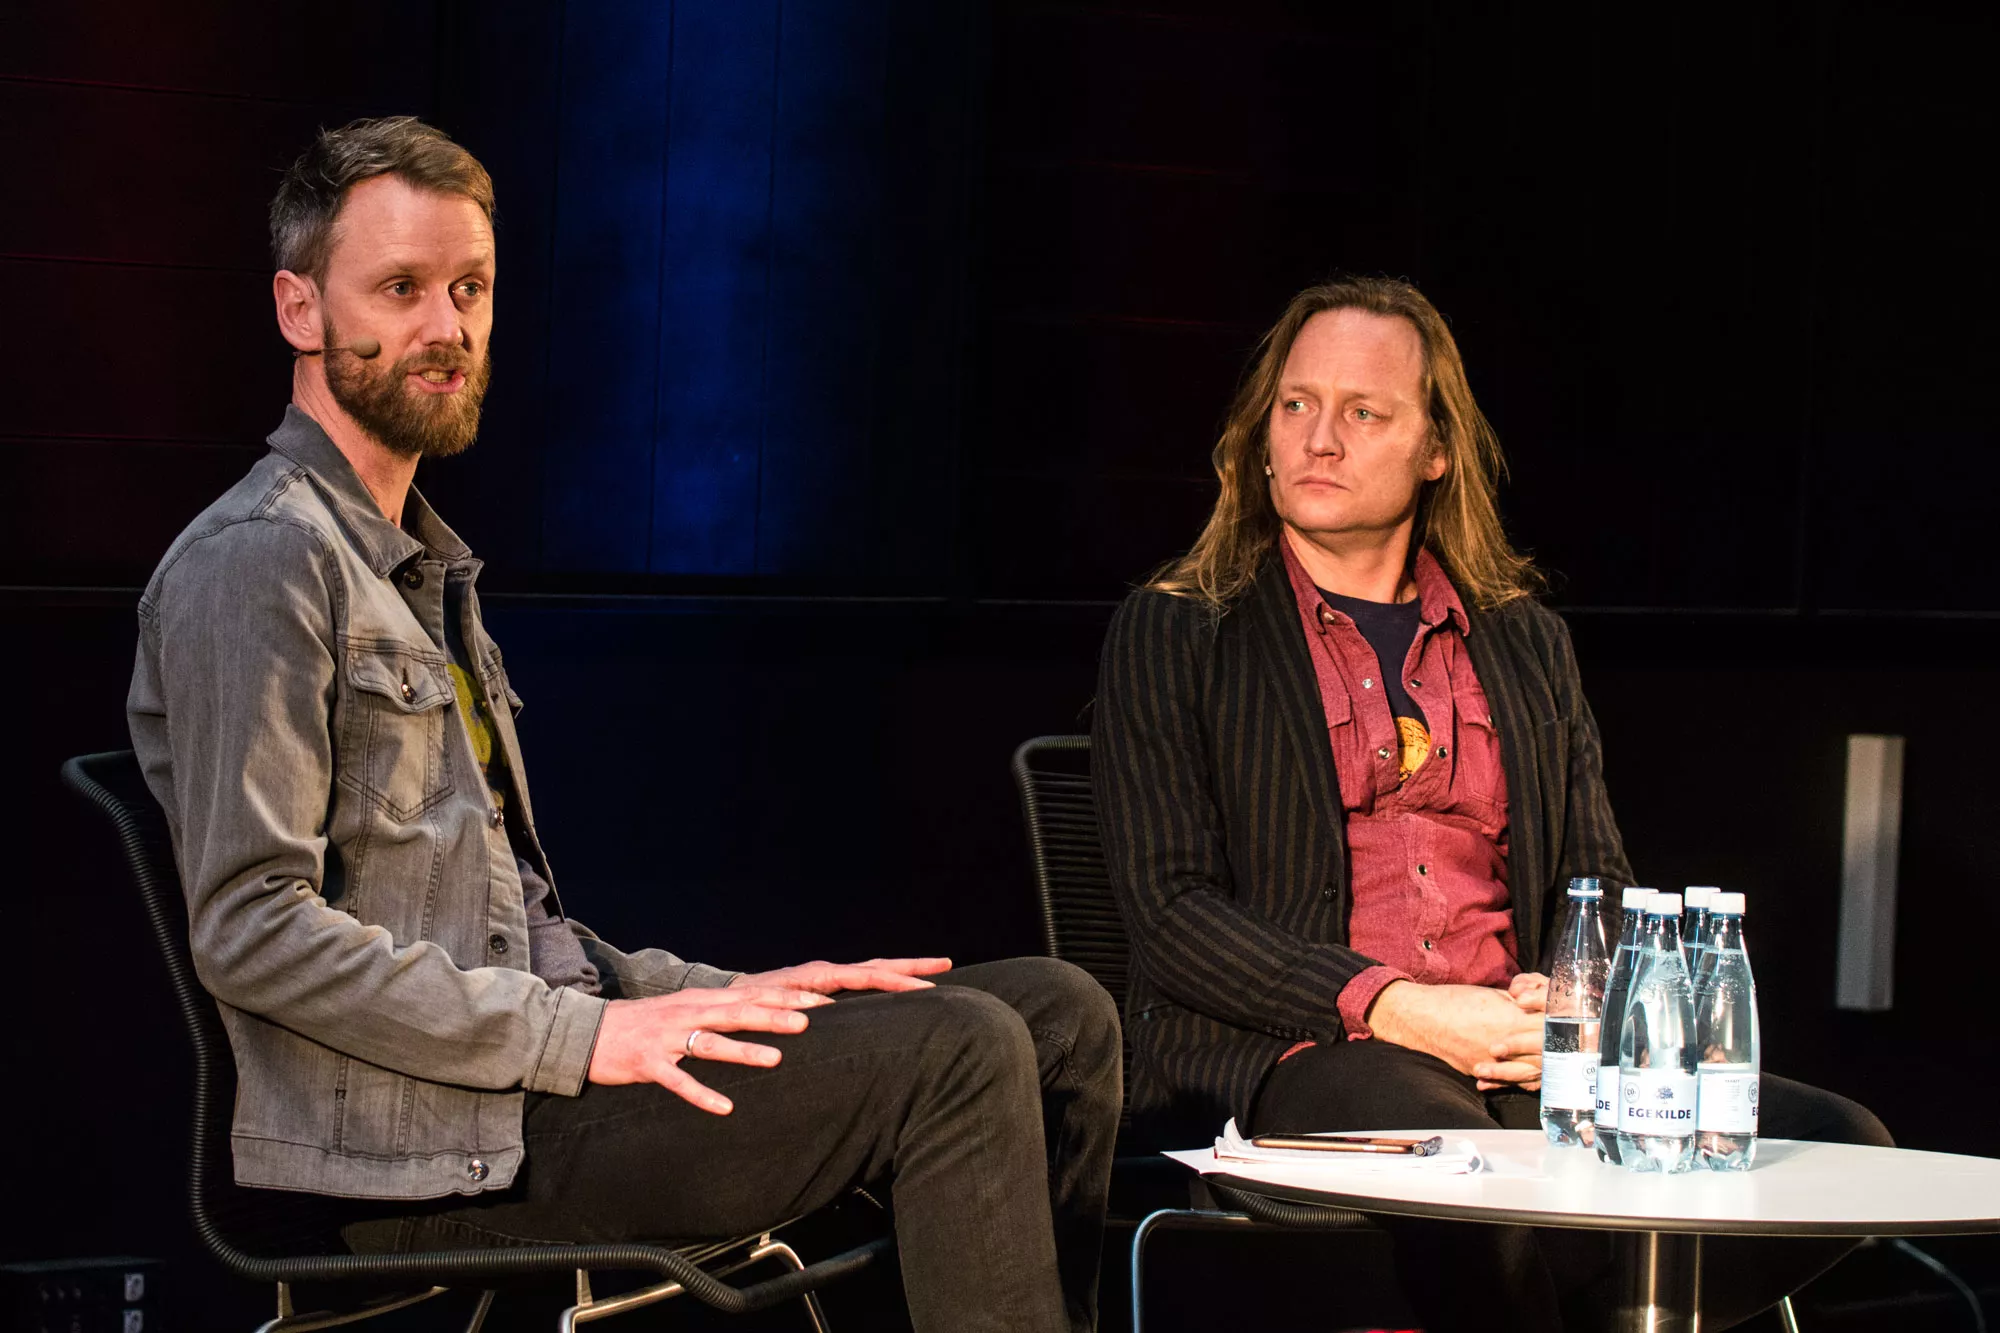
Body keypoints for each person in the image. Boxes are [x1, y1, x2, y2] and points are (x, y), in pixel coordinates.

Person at [126, 116, 1118, 1333]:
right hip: (424, 1148)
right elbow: (252, 930)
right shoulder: (258, 562)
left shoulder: (416, 570)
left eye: (470, 289)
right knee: (958, 1053)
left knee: (1058, 1014)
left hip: (533, 1081)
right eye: (400, 289)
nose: (447, 326)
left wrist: (729, 992)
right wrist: (584, 1033)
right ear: (299, 309)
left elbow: (517, 930)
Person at [1090, 276, 1889, 1331]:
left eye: (1362, 412)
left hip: (1518, 1055)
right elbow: (1171, 912)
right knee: (1462, 1166)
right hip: (1298, 1055)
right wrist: (1396, 1005)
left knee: (1841, 1150)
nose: (1318, 439)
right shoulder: (1180, 629)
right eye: (1296, 405)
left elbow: (1596, 881)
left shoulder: (1521, 640)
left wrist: (1566, 1003)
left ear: (1435, 449)